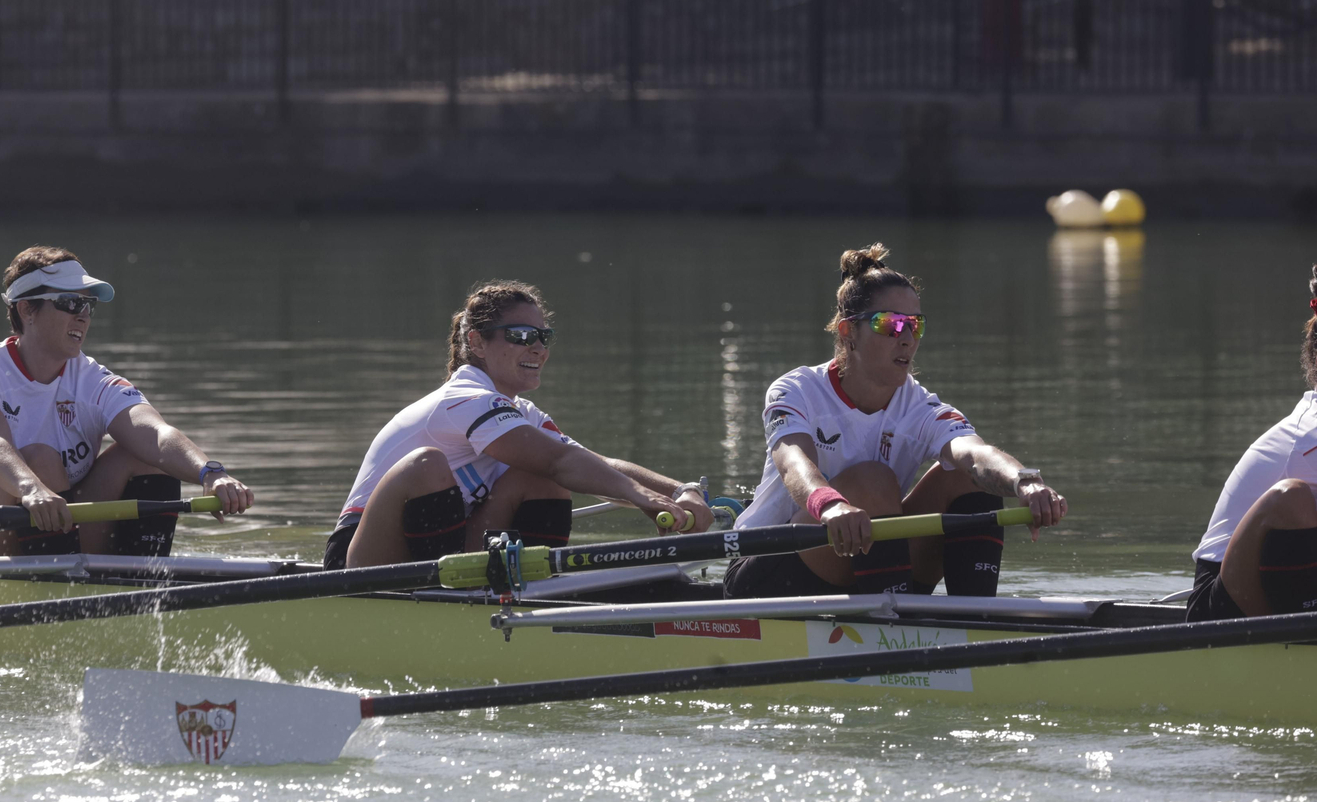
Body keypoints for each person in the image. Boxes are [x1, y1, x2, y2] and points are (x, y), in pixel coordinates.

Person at [723, 244, 1067, 600]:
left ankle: (975, 617)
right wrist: (831, 505)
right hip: (767, 566)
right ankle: (898, 625)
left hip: (866, 560)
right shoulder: (796, 390)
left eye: (915, 325)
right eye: (889, 323)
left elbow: (974, 454)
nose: (906, 338)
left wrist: (1025, 482)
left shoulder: (919, 406)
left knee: (967, 476)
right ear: (848, 332)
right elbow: (794, 465)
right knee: (874, 481)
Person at [324, 280, 714, 569]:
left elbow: (591, 464)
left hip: (444, 548)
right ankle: (442, 599)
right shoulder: (464, 398)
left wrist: (682, 491)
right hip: (359, 558)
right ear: (476, 344)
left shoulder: (519, 412)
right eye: (522, 336)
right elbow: (561, 461)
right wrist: (640, 497)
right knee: (427, 463)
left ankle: (529, 594)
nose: (539, 348)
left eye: (544, 336)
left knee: (544, 477)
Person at [0, 246, 253, 557]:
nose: (83, 316)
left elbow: (156, 434)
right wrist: (30, 487)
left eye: (88, 306)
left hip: (59, 529)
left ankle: (142, 587)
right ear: (27, 309)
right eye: (69, 302)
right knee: (40, 460)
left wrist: (211, 473)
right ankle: (60, 591)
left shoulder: (92, 378)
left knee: (144, 455)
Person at [1188, 265, 1317, 621]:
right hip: (1220, 612)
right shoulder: (1311, 435)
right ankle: (1282, 641)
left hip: (1290, 585)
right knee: (1290, 496)